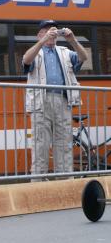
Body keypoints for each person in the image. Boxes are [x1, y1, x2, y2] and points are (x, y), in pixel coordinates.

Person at [22, 20, 88, 178]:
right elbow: (26, 60)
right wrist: (43, 41)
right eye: (46, 30)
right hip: (41, 102)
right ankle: (38, 182)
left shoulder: (65, 51)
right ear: (39, 35)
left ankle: (65, 181)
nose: (51, 33)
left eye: (53, 30)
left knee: (64, 143)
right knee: (40, 144)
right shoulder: (35, 51)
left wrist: (72, 39)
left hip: (63, 100)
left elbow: (83, 57)